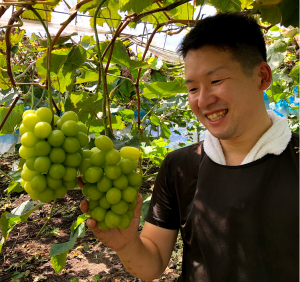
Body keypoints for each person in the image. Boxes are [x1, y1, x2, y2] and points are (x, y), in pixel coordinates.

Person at [80, 12, 299, 281]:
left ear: (262, 76)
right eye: (193, 88)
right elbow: (153, 263)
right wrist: (126, 244)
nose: (203, 100)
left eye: (216, 81)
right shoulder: (179, 166)